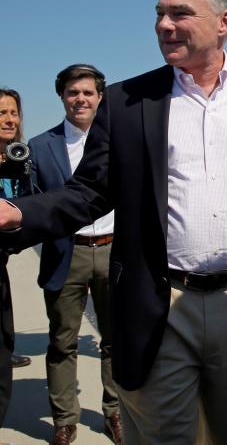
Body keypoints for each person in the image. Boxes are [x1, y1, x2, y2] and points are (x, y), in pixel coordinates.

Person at [0, 0, 227, 444]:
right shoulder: (127, 100)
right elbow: (90, 191)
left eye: (180, 13)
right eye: (159, 14)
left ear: (224, 22)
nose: (163, 25)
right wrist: (19, 213)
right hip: (161, 302)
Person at [25, 64, 120, 445]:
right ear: (62, 97)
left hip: (114, 250)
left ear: (100, 97)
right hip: (67, 252)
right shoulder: (40, 146)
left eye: (88, 92)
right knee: (62, 340)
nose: (80, 99)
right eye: (72, 93)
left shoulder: (118, 140)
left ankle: (115, 412)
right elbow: (32, 201)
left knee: (116, 340)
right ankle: (65, 418)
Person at [0, 87, 25, 431]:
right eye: (0, 113)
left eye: (13, 112)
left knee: (3, 350)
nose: (8, 119)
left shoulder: (18, 157)